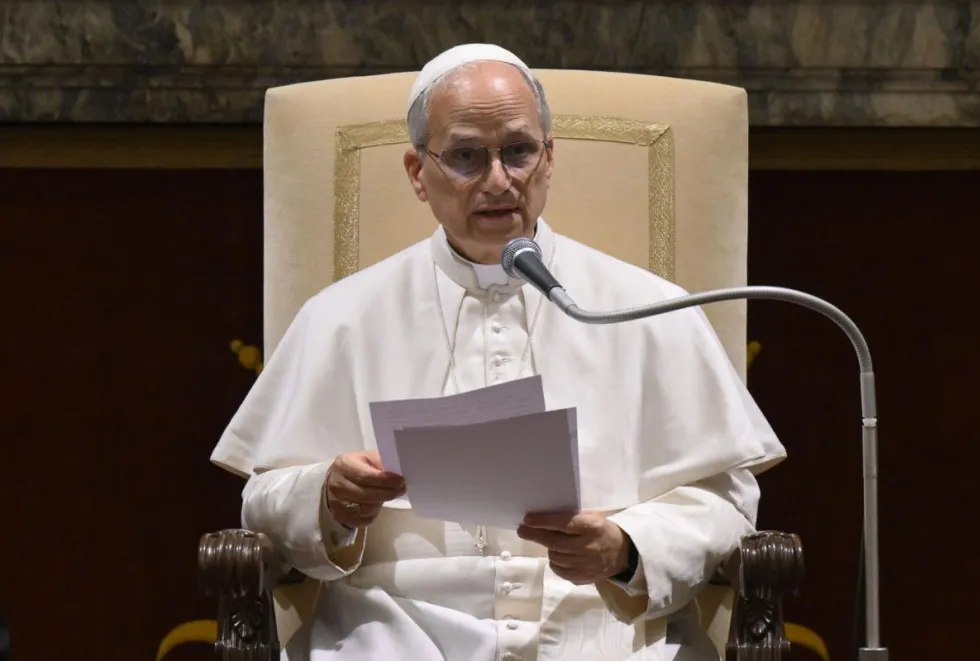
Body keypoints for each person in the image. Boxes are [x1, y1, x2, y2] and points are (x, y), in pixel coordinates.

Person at [211, 43, 786, 661]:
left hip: (608, 637)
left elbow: (725, 500)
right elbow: (260, 501)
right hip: (397, 634)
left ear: (548, 158)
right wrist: (326, 499)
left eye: (518, 151)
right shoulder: (342, 318)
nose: (497, 181)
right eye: (465, 156)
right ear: (416, 173)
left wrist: (627, 549)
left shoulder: (645, 307)